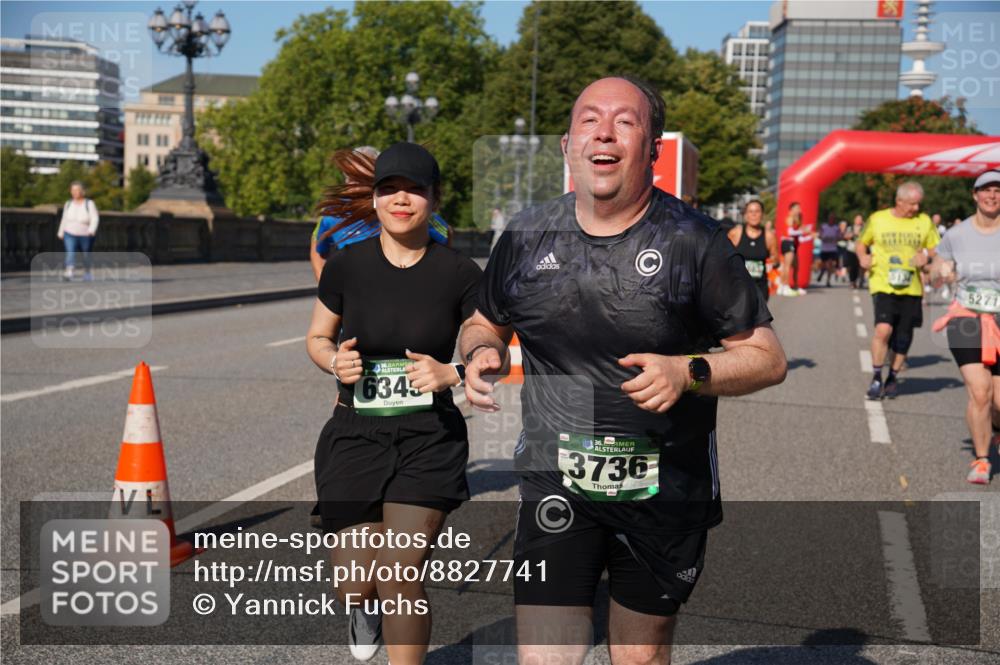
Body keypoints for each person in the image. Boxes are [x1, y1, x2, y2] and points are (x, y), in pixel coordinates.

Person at [459, 76, 787, 665]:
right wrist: (479, 350)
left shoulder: (697, 243)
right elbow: (484, 320)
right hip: (555, 482)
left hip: (664, 490)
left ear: (653, 147)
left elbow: (767, 357)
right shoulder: (527, 235)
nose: (604, 133)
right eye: (589, 119)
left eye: (625, 121)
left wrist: (688, 371)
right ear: (567, 144)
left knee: (637, 655)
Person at [306, 142, 482, 664]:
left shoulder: (460, 271)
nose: (400, 199)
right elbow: (317, 338)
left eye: (414, 189)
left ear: (434, 198)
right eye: (389, 188)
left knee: (400, 574)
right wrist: (333, 360)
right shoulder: (345, 267)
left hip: (429, 438)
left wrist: (452, 371)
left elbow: (487, 340)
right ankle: (362, 610)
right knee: (355, 583)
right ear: (375, 198)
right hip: (354, 434)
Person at [930, 170, 1000, 484]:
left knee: (998, 400)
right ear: (975, 195)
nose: (992, 196)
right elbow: (935, 268)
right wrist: (940, 271)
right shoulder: (956, 234)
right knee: (980, 392)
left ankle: (995, 428)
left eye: (998, 190)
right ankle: (982, 459)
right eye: (986, 190)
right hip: (966, 318)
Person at [310, 146, 451, 281]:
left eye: (365, 179)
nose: (359, 186)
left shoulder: (402, 212)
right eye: (354, 179)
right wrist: (326, 289)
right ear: (346, 180)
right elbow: (318, 246)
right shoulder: (333, 214)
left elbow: (446, 232)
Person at [857, 181, 940, 400]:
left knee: (903, 337)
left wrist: (928, 257)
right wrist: (862, 257)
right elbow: (861, 242)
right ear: (899, 201)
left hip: (911, 288)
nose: (915, 209)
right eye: (912, 204)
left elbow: (936, 249)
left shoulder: (924, 222)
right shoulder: (878, 219)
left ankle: (892, 377)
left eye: (918, 204)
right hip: (883, 284)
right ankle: (876, 376)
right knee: (883, 330)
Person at [728, 199, 780, 302]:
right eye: (751, 212)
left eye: (757, 211)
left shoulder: (769, 236)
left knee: (758, 318)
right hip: (738, 287)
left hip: (759, 287)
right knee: (740, 318)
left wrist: (773, 261)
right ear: (745, 215)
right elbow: (723, 256)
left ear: (762, 214)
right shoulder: (736, 233)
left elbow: (776, 259)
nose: (754, 215)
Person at [56, 180, 99, 281]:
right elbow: (64, 218)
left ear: (82, 191)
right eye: (73, 190)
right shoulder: (68, 203)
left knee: (86, 254)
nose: (75, 192)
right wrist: (61, 231)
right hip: (69, 233)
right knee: (70, 252)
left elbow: (95, 218)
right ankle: (69, 270)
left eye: (77, 190)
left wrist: (92, 229)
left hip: (85, 234)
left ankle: (87, 272)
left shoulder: (89, 203)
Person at [779, 202, 812, 296]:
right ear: (792, 209)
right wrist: (803, 231)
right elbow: (790, 232)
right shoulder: (790, 218)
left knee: (796, 266)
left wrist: (808, 235)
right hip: (787, 242)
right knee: (787, 265)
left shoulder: (796, 219)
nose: (799, 210)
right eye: (797, 208)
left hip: (792, 243)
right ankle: (784, 286)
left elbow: (799, 233)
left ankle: (795, 286)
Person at [816, 214, 842, 287]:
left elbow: (840, 236)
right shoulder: (824, 226)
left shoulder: (836, 228)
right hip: (824, 248)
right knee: (824, 264)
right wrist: (824, 237)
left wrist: (835, 238)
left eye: (833, 219)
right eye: (830, 219)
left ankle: (828, 280)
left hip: (832, 248)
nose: (831, 220)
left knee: (830, 264)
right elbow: (820, 235)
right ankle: (821, 272)